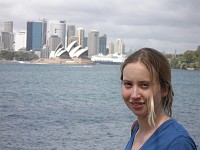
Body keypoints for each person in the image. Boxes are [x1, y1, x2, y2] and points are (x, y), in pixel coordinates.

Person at [120, 48, 197, 150]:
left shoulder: (178, 142)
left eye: (144, 85)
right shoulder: (137, 129)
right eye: (128, 84)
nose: (134, 95)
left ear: (164, 89)